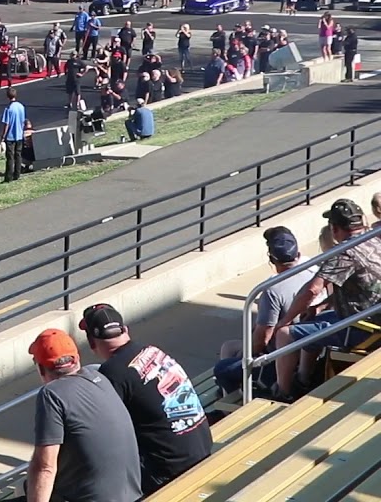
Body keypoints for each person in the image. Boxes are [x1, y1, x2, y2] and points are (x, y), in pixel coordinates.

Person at [81, 304, 212, 494]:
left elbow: (104, 432)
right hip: (201, 449)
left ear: (92, 343)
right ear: (125, 330)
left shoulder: (113, 372)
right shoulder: (152, 350)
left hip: (168, 470)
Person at [2, 329, 141, 502]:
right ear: (77, 359)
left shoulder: (52, 394)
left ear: (41, 369)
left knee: (26, 486)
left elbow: (45, 467)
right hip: (131, 495)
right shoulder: (99, 377)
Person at [273, 198, 381, 399]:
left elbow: (312, 290)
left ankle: (283, 393)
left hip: (363, 328)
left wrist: (284, 321)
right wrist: (322, 306)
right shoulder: (374, 239)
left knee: (285, 334)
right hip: (372, 316)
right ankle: (304, 379)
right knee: (312, 320)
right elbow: (359, 287)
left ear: (334, 228)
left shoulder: (344, 252)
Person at [213, 227, 322, 395]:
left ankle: (233, 399)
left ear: (271, 259)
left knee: (223, 367)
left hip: (280, 361)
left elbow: (261, 341)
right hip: (312, 351)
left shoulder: (272, 290)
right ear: (298, 254)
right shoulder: (314, 274)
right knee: (230, 347)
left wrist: (244, 354)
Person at [1, 88, 26, 183]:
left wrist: (3, 136)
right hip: (19, 134)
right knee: (18, 155)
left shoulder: (8, 109)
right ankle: (17, 174)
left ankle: (8, 176)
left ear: (7, 96)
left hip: (10, 136)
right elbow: (23, 121)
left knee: (10, 157)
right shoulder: (21, 106)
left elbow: (6, 124)